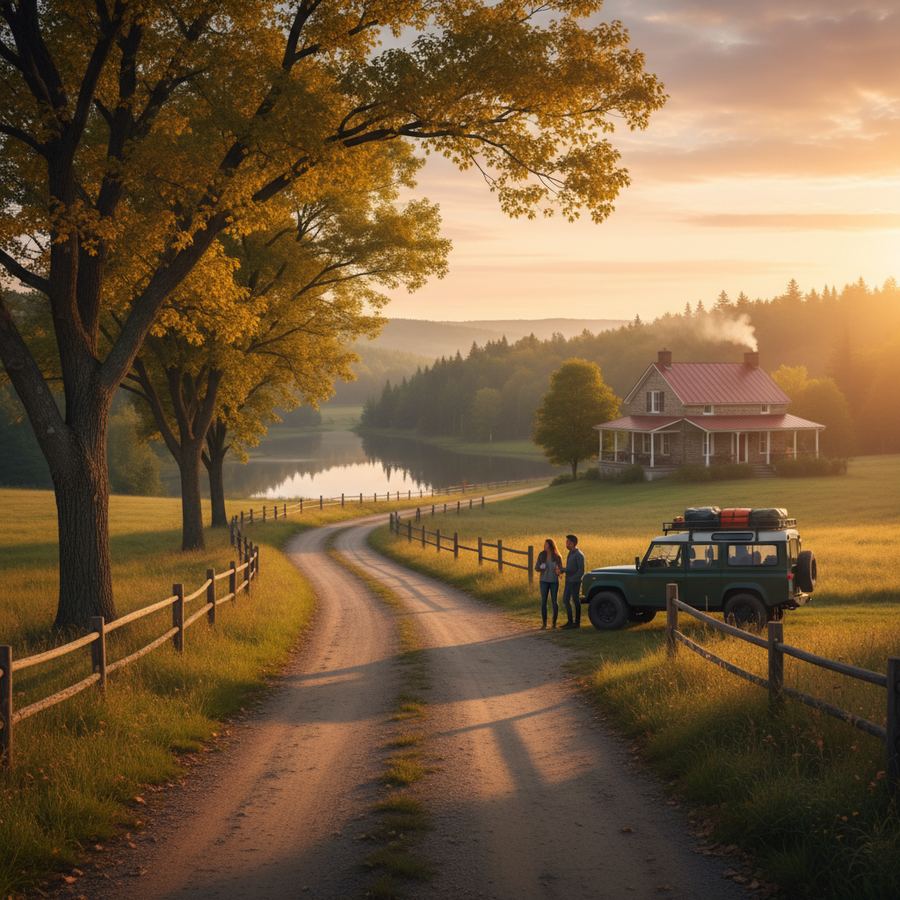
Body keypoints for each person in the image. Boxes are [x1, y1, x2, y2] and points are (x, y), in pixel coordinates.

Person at [534, 538, 562, 629]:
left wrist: (559, 571)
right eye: (544, 544)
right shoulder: (541, 555)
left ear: (550, 545)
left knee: (555, 602)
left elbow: (560, 570)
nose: (544, 545)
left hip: (554, 581)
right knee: (543, 602)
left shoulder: (557, 557)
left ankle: (554, 623)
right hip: (543, 581)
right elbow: (536, 567)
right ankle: (544, 624)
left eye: (546, 544)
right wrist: (541, 568)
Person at [561, 533, 585, 629]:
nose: (566, 544)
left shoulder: (579, 555)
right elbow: (570, 568)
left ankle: (577, 623)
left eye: (568, 542)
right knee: (566, 600)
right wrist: (563, 570)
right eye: (566, 542)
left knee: (575, 600)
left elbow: (581, 571)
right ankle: (570, 622)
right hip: (568, 581)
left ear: (573, 543)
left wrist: (573, 578)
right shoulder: (570, 553)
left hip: (575, 582)